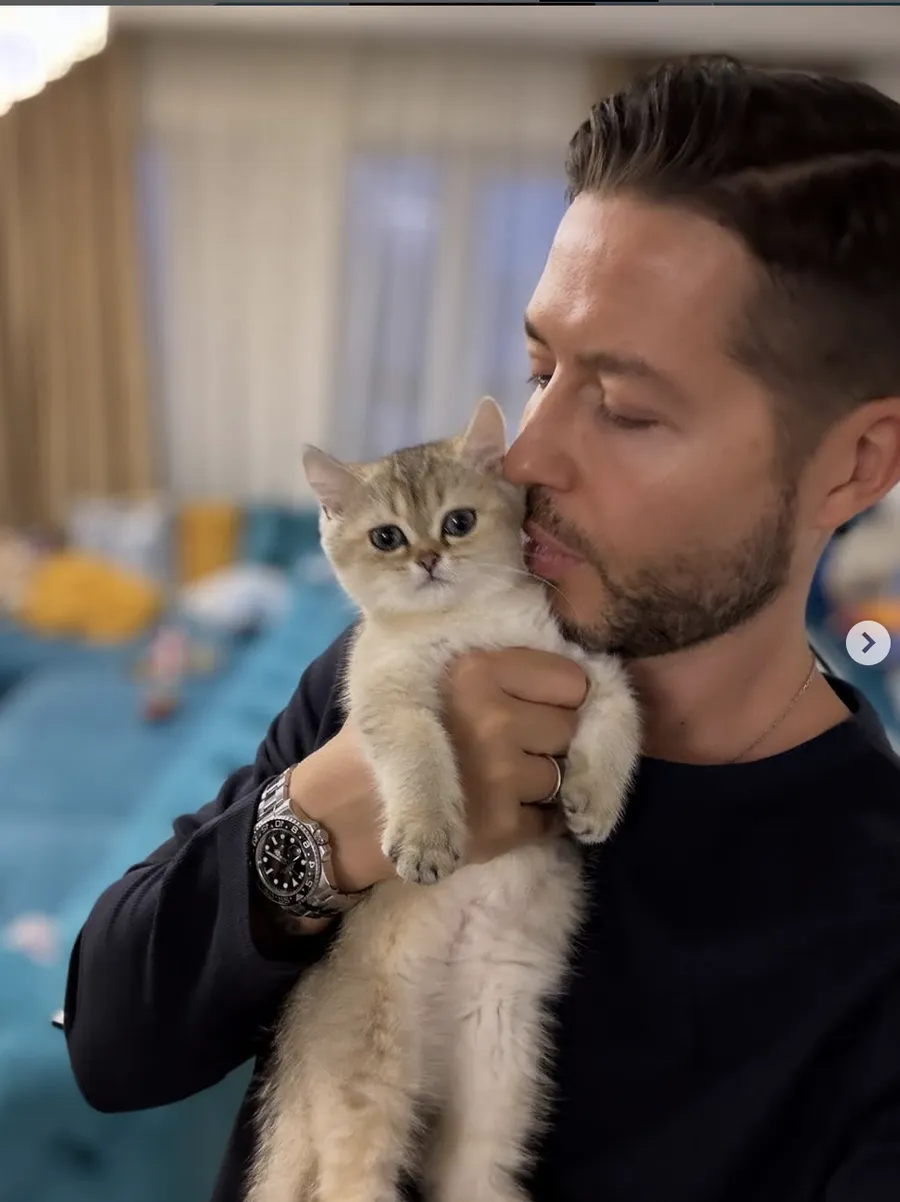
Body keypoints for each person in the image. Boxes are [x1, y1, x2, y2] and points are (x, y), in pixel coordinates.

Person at [64, 57, 900, 1202]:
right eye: (540, 367)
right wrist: (322, 819)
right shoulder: (419, 662)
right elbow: (110, 1040)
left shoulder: (871, 924)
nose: (526, 456)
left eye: (625, 407)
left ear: (858, 463)